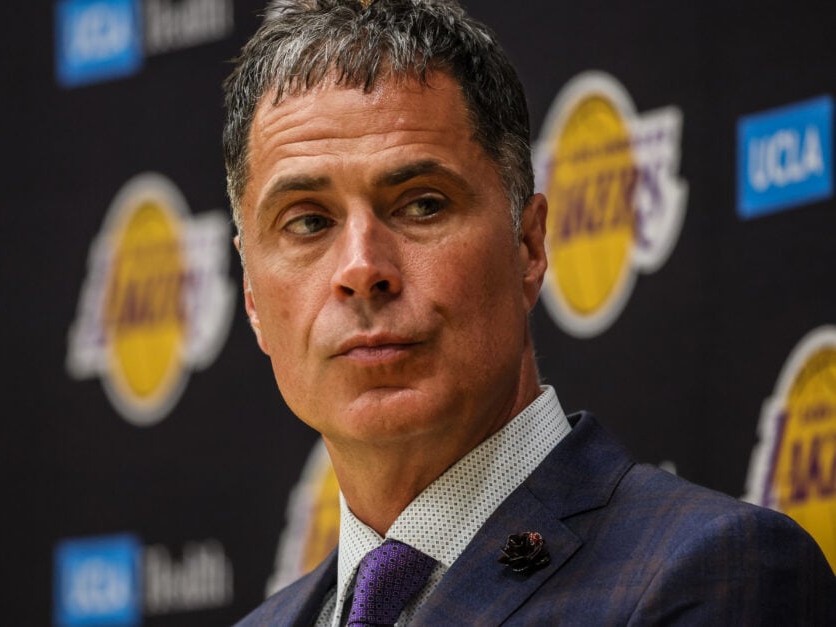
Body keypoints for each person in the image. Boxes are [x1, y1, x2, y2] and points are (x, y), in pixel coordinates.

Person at [224, 1, 836, 624]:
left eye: (422, 205)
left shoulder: (715, 572)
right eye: (307, 221)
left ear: (529, 245)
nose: (361, 268)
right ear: (251, 293)